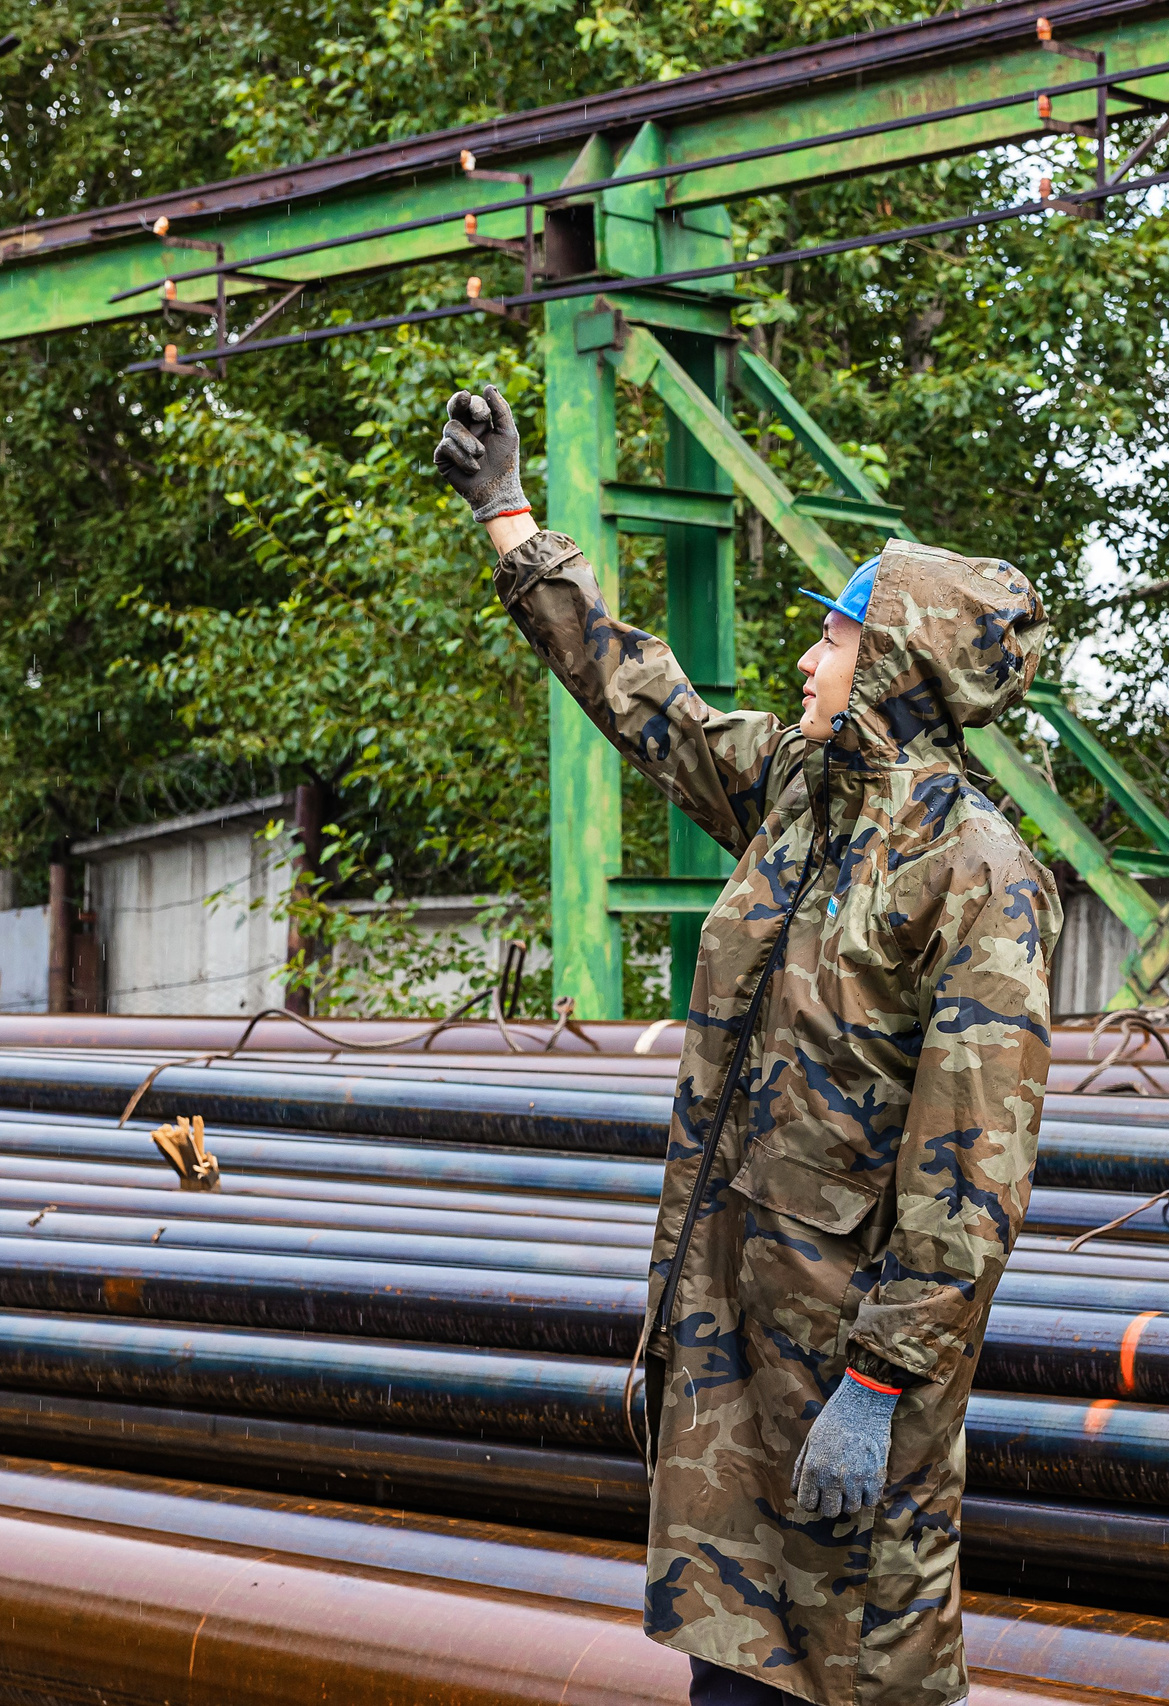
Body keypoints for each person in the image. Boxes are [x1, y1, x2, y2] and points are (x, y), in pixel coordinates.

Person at [433, 385, 1061, 1706]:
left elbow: (972, 1169)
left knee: (866, 1679)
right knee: (742, 1671)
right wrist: (510, 523)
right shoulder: (796, 797)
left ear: (896, 662)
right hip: (732, 1350)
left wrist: (885, 1375)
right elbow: (638, 692)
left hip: (852, 1366)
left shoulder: (974, 870)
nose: (805, 664)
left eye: (831, 640)